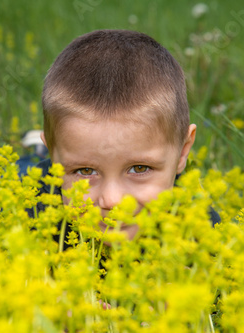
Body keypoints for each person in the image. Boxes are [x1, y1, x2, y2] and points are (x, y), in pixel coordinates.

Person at [24, 29, 219, 245]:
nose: (112, 200)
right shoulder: (29, 211)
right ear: (54, 156)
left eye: (139, 168)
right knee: (27, 167)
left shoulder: (196, 223)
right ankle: (36, 153)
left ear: (183, 152)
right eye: (85, 171)